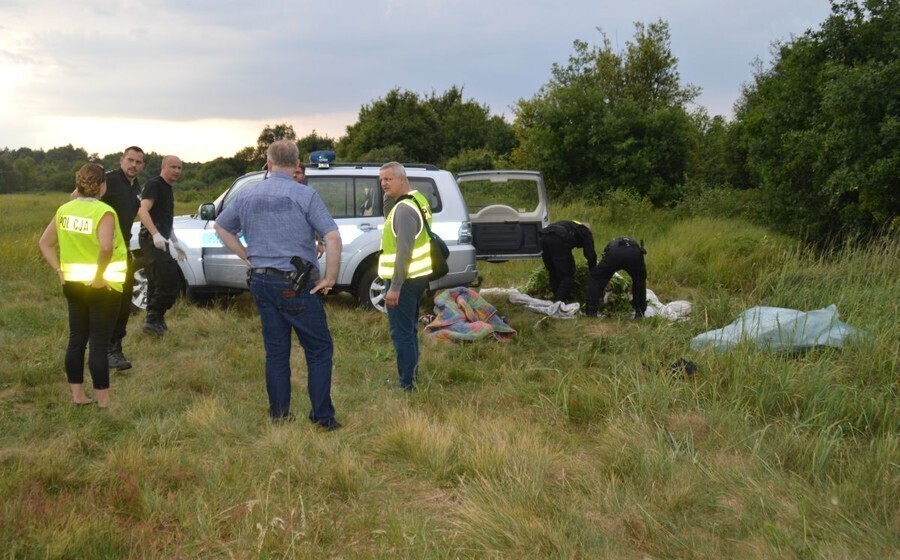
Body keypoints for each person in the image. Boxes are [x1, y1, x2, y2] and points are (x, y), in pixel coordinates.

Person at [214, 140, 343, 429]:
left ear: (268, 163)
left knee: (276, 351)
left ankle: (280, 416)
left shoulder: (248, 195)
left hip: (261, 280)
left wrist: (246, 255)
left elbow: (220, 226)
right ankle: (322, 417)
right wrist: (330, 279)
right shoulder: (305, 195)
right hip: (296, 284)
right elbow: (332, 237)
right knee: (319, 349)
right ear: (297, 164)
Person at [38, 163, 128, 408]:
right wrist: (99, 275)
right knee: (99, 342)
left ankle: (78, 397)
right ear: (101, 185)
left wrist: (59, 270)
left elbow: (44, 243)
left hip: (73, 284)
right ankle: (103, 403)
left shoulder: (64, 210)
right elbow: (107, 247)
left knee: (76, 339)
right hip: (103, 286)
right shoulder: (104, 211)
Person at [377, 162, 434, 391]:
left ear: (402, 179)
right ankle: (411, 378)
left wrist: (395, 287)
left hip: (406, 280)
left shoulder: (404, 210)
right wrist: (389, 195)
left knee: (401, 332)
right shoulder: (416, 199)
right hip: (416, 278)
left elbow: (404, 251)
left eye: (389, 179)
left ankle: (407, 384)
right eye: (381, 180)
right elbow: (387, 217)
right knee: (408, 329)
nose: (383, 184)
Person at [102, 146, 145, 370]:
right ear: (121, 160)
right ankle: (106, 350)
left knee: (124, 300)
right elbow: (77, 199)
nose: (134, 165)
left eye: (138, 162)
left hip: (123, 249)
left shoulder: (135, 185)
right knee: (110, 300)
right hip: (103, 249)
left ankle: (114, 347)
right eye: (130, 160)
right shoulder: (107, 180)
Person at [137, 155, 186, 335]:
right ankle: (153, 319)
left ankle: (154, 321)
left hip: (161, 240)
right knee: (170, 281)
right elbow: (142, 210)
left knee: (155, 281)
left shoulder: (168, 188)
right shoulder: (155, 184)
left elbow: (165, 218)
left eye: (179, 168)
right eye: (173, 167)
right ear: (163, 166)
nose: (176, 171)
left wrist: (174, 241)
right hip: (151, 240)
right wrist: (155, 234)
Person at [584, 237, 648, 318]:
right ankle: (640, 312)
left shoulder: (611, 247)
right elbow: (641, 277)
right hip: (634, 254)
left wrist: (606, 284)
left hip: (615, 254)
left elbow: (601, 275)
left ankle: (591, 312)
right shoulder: (636, 246)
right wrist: (634, 288)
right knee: (640, 281)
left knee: (595, 278)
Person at [539, 220, 597, 302]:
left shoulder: (571, 224)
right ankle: (560, 302)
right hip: (558, 238)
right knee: (568, 273)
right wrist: (594, 271)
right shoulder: (585, 231)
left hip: (543, 236)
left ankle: (556, 297)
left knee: (553, 270)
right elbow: (590, 254)